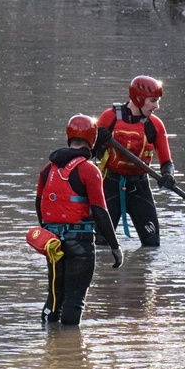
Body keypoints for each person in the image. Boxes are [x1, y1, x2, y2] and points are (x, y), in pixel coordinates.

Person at [35, 114, 123, 326]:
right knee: (74, 302)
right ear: (92, 140)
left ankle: (48, 341)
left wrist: (48, 233)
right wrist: (115, 246)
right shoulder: (89, 170)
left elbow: (39, 206)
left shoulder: (47, 169)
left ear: (69, 137)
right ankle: (68, 352)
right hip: (80, 245)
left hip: (53, 244)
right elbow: (100, 211)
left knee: (54, 298)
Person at [92, 75, 175, 246]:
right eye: (152, 101)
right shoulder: (109, 118)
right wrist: (98, 140)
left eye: (157, 101)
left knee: (152, 245)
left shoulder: (155, 125)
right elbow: (88, 153)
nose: (156, 106)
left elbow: (167, 161)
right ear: (139, 98)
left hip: (140, 188)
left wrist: (168, 175)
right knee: (100, 245)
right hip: (110, 185)